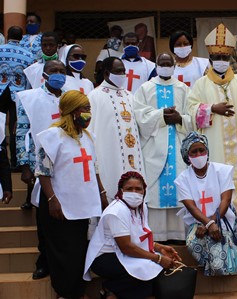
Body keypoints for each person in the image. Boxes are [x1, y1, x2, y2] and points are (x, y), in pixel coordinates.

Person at [187, 23, 237, 234]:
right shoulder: (200, 84)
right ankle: (217, 223)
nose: (221, 61)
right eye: (217, 58)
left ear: (229, 60)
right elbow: (190, 111)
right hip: (215, 144)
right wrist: (211, 109)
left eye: (224, 58)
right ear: (210, 60)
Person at [36, 90, 107, 299]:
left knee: (79, 251)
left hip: (82, 203)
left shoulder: (87, 136)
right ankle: (66, 293)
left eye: (89, 109)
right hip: (58, 204)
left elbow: (94, 168)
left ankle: (78, 291)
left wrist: (102, 192)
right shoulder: (52, 136)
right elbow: (43, 172)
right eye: (85, 109)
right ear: (72, 111)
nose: (89, 113)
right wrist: (52, 200)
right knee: (63, 253)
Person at [84, 171, 181, 299]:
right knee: (146, 266)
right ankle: (111, 288)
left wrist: (160, 248)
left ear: (144, 191)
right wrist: (158, 258)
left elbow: (139, 237)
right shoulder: (117, 211)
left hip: (123, 252)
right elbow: (127, 247)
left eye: (138, 189)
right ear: (121, 191)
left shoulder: (142, 208)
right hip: (104, 257)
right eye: (129, 189)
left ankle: (112, 292)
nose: (134, 192)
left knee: (150, 267)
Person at [16, 60, 67, 280]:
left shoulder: (70, 97)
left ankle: (67, 261)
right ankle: (43, 261)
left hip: (68, 163)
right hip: (40, 163)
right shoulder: (29, 98)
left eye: (61, 71)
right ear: (44, 75)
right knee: (44, 216)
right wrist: (25, 165)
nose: (58, 74)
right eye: (53, 71)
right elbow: (21, 131)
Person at [134, 52, 192, 241]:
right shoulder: (145, 88)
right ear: (157, 65)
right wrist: (161, 115)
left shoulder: (183, 89)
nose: (165, 66)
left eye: (168, 63)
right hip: (153, 146)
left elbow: (192, 117)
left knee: (179, 187)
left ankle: (179, 234)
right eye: (162, 63)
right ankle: (157, 235)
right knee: (155, 188)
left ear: (174, 66)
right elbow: (139, 115)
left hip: (177, 143)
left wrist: (180, 119)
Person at [174, 132, 237, 269]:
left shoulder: (223, 171)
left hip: (223, 219)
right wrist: (207, 223)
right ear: (187, 156)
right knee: (193, 244)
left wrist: (212, 223)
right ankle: (208, 264)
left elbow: (225, 200)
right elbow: (191, 207)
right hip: (198, 223)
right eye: (194, 152)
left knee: (220, 263)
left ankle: (217, 264)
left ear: (207, 151)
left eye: (201, 150)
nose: (198, 155)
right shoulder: (182, 179)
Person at [87, 56, 145, 203]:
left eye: (123, 71)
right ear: (106, 74)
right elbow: (90, 130)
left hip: (132, 156)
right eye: (118, 71)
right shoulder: (95, 96)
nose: (122, 75)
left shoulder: (129, 95)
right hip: (108, 157)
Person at [0, 26, 34, 169]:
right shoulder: (29, 54)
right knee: (16, 128)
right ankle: (16, 162)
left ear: (7, 35)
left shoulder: (0, 49)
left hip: (1, 92)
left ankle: (1, 160)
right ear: (22, 37)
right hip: (18, 95)